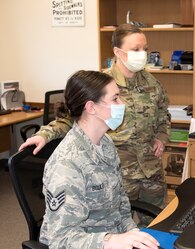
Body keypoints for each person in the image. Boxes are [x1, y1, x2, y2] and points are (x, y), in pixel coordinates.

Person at [20, 24, 171, 225]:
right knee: (114, 223)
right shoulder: (102, 85)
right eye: (136, 49)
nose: (142, 54)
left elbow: (163, 114)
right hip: (116, 170)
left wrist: (161, 137)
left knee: (157, 224)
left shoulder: (152, 82)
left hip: (150, 166)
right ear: (118, 52)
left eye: (145, 49)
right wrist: (44, 135)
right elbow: (71, 117)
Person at [39, 70, 160, 249]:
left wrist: (133, 233)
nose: (122, 104)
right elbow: (62, 244)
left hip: (112, 248)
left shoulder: (104, 144)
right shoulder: (67, 165)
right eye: (115, 99)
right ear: (91, 107)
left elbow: (120, 205)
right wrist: (113, 241)